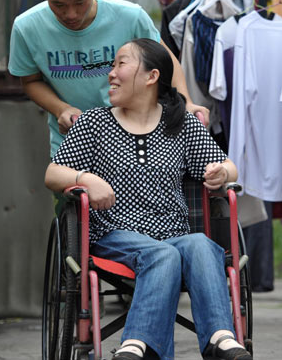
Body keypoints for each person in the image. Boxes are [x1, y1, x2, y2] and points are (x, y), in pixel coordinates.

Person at [44, 38, 251, 360]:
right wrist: (85, 178)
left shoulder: (181, 125)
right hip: (115, 236)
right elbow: (53, 173)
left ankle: (220, 338)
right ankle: (137, 346)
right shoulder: (93, 123)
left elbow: (229, 166)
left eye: (121, 64)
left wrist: (222, 173)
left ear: (151, 76)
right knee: (164, 255)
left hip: (174, 232)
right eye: (112, 66)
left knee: (200, 244)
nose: (111, 73)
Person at [8, 0, 209, 160]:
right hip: (74, 145)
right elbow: (30, 81)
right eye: (58, 5)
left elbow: (165, 60)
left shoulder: (130, 17)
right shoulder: (27, 27)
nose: (71, 14)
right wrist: (61, 109)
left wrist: (186, 101)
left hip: (138, 142)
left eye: (79, 3)